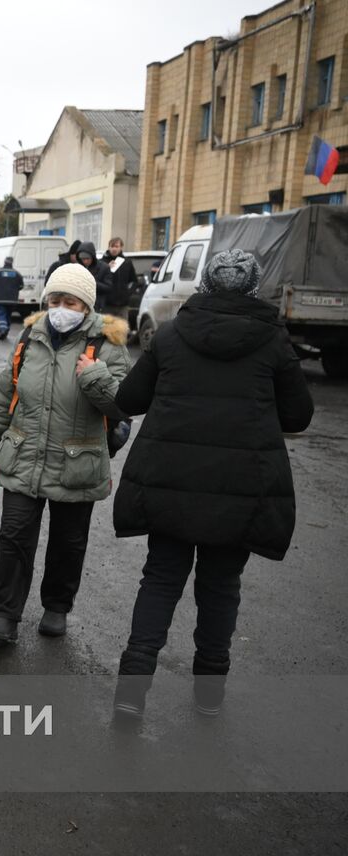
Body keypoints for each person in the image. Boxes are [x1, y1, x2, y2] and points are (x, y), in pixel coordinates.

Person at [111, 250, 313, 720]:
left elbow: (130, 399)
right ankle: (209, 693)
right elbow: (299, 415)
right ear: (252, 287)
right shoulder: (273, 341)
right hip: (241, 489)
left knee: (160, 580)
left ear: (205, 284)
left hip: (169, 482)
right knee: (221, 586)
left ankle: (131, 691)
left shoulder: (172, 334)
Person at [0, 263, 130, 642]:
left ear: (86, 306)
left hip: (78, 461)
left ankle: (57, 606)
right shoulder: (30, 337)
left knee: (68, 542)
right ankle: (4, 616)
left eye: (70, 301)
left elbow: (123, 405)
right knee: (13, 537)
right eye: (54, 299)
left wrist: (94, 375)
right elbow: (5, 397)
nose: (60, 308)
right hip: (23, 455)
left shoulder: (108, 345)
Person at [101, 237, 138, 322]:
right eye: (112, 246)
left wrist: (127, 293)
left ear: (121, 247)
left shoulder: (127, 262)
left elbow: (134, 281)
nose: (114, 249)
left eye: (116, 246)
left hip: (123, 305)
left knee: (122, 330)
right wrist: (107, 267)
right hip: (107, 305)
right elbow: (97, 280)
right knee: (106, 330)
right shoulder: (102, 262)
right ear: (109, 247)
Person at [0, 255, 24, 340]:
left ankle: (2, 329)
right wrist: (15, 290)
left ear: (4, 262)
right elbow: (21, 285)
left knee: (1, 314)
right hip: (12, 300)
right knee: (8, 315)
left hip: (0, 298)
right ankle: (6, 329)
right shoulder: (16, 273)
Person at [76, 241, 113, 311]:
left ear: (92, 257)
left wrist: (92, 282)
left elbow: (108, 287)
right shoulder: (78, 267)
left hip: (97, 306)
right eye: (83, 259)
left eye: (87, 259)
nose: (85, 261)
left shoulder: (104, 267)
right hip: (81, 305)